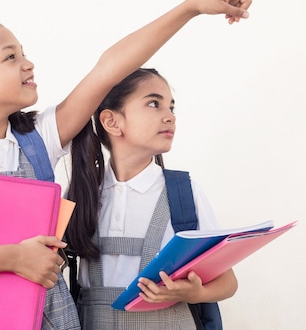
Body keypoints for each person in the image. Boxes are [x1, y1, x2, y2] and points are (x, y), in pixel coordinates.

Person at [0, 0, 267, 328]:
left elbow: (109, 69)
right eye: (10, 57)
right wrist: (14, 258)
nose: (28, 63)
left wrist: (190, 7)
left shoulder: (38, 139)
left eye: (23, 52)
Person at [67, 67, 238, 329]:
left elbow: (228, 282)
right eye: (154, 104)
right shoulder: (81, 194)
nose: (169, 116)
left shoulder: (184, 192)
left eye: (171, 107)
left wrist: (195, 294)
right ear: (112, 121)